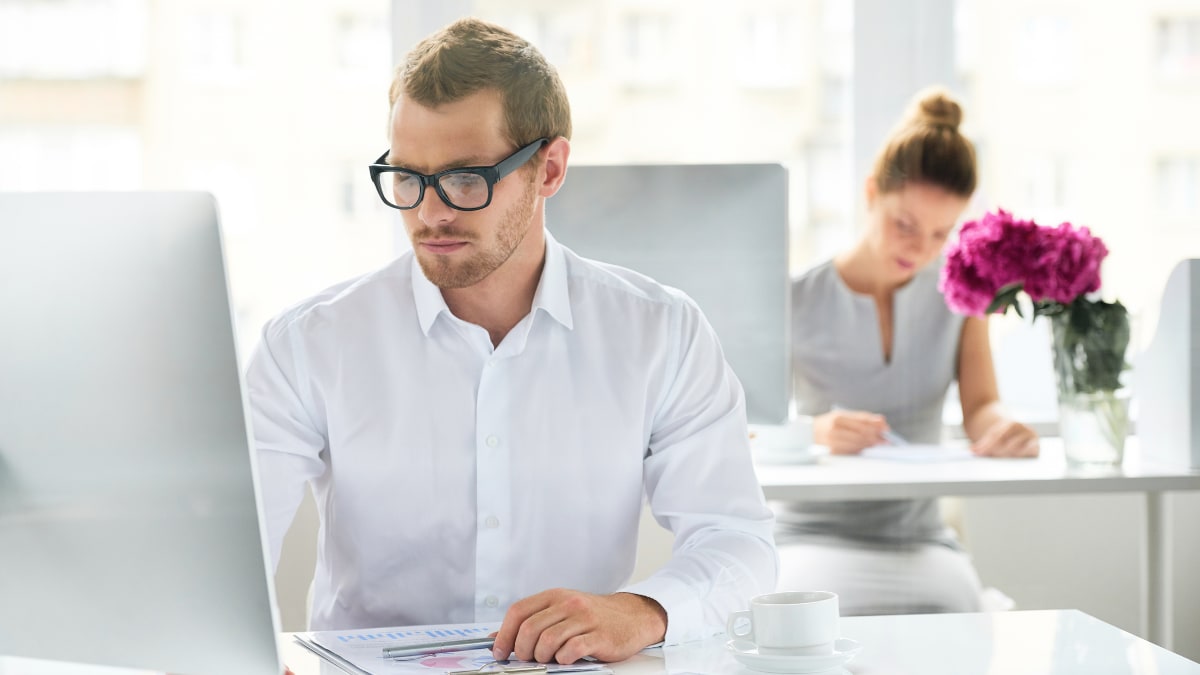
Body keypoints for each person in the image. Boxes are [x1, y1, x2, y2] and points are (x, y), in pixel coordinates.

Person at [245, 17, 777, 666]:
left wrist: (641, 612)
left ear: (549, 168)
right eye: (408, 177)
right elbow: (226, 560)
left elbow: (739, 542)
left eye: (466, 179)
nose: (429, 213)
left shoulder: (660, 333)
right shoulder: (308, 344)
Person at [773, 88, 1039, 615]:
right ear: (871, 194)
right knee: (802, 617)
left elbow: (981, 406)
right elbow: (745, 429)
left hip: (919, 539)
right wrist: (817, 431)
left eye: (941, 234)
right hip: (810, 533)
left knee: (955, 611)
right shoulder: (793, 298)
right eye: (905, 224)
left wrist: (1002, 427)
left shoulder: (960, 299)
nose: (919, 249)